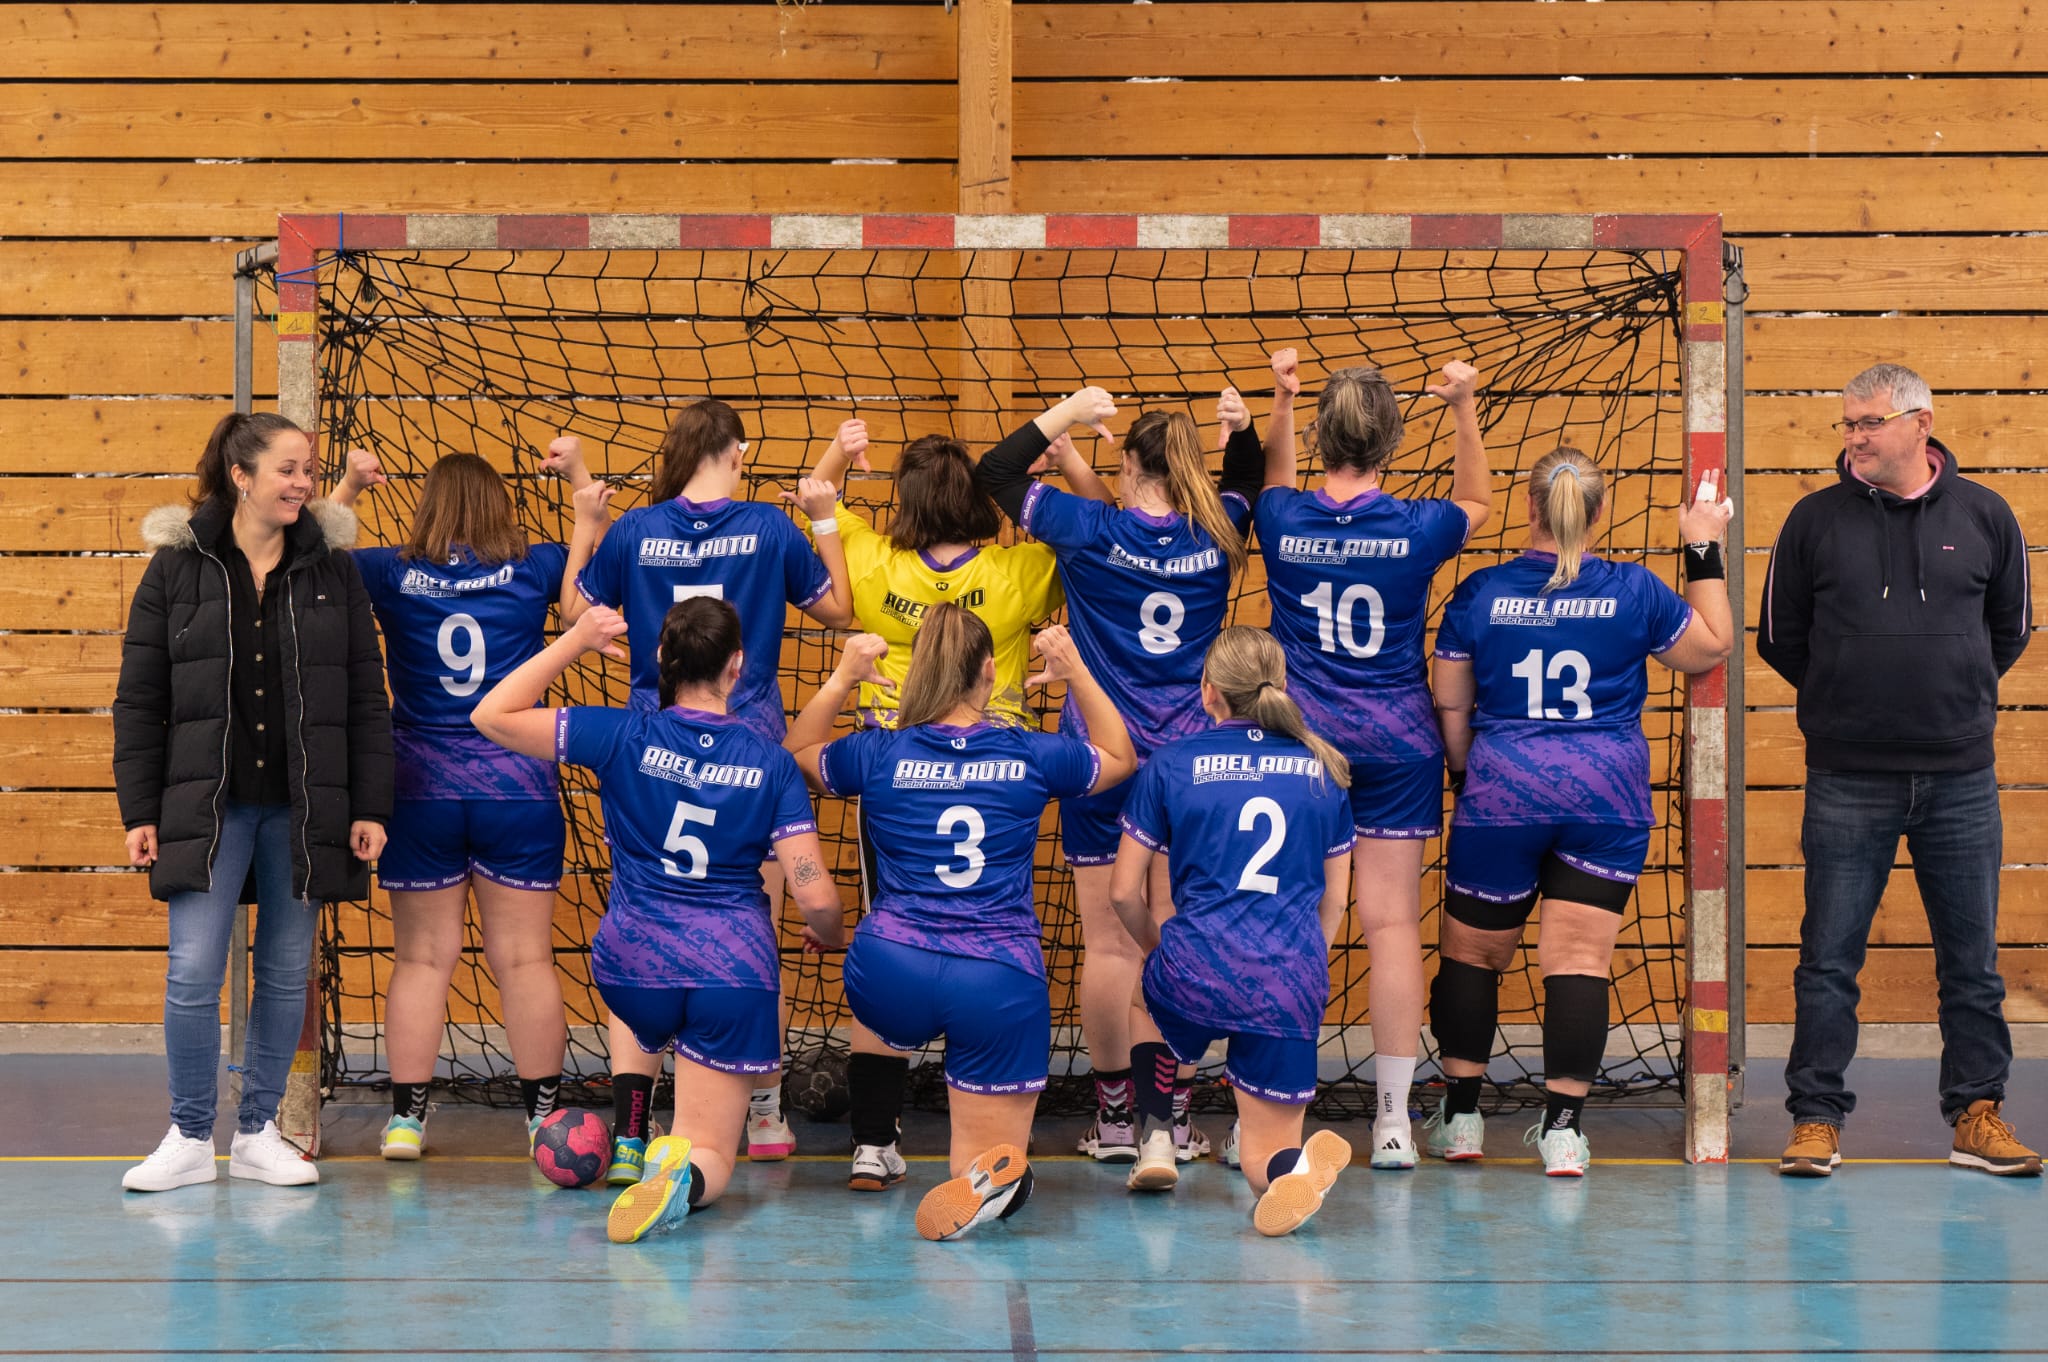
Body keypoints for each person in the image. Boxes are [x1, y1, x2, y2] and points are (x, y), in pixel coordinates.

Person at [471, 596, 848, 1242]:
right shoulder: (772, 764)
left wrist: (576, 640)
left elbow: (491, 715)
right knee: (713, 1150)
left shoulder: (622, 735)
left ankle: (631, 1135)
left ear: (660, 660)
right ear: (737, 666)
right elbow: (813, 894)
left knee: (650, 1000)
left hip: (631, 964)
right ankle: (681, 1173)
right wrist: (830, 933)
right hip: (729, 971)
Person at [554, 404, 853, 1176]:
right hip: (751, 747)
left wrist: (587, 524)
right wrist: (825, 519)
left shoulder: (635, 530)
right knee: (751, 934)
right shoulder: (769, 528)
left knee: (645, 925)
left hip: (649, 749)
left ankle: (630, 1134)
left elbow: (575, 612)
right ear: (739, 453)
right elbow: (838, 610)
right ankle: (765, 1114)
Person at [1758, 363, 2039, 1178]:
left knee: (1972, 964)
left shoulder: (1986, 514)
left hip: (1961, 779)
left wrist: (1950, 695)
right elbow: (1780, 636)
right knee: (1828, 961)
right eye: (1847, 424)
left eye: (1868, 423)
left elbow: (2009, 628)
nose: (1853, 438)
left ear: (1920, 423)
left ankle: (1977, 1116)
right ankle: (1816, 1118)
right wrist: (1849, 696)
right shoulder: (1813, 520)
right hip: (1847, 777)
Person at [800, 416, 1095, 1190]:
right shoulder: (1018, 570)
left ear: (905, 502)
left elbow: (815, 494)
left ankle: (873, 1141)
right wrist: (1070, 459)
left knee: (894, 923)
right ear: (972, 501)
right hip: (1004, 773)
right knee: (990, 926)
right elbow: (1094, 542)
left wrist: (841, 451)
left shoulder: (874, 563)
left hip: (893, 775)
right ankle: (987, 1107)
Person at [1428, 449, 1733, 1175]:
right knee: (1579, 960)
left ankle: (1462, 1122)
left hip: (1503, 792)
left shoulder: (1480, 592)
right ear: (1598, 512)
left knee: (1472, 956)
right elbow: (1712, 646)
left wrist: (1468, 774)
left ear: (1530, 507)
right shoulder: (1634, 590)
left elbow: (1451, 704)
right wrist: (1701, 543)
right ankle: (1562, 1133)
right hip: (1606, 796)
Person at [786, 605, 1134, 1240]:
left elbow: (797, 754)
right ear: (990, 671)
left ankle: (875, 1144)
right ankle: (983, 1177)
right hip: (995, 977)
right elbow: (1119, 756)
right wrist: (1076, 671)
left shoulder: (880, 750)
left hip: (888, 968)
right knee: (983, 1158)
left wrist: (843, 676)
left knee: (884, 969)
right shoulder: (1031, 752)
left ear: (917, 670)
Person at [977, 387, 1259, 1164]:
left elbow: (996, 472)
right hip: (1191, 766)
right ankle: (1167, 1121)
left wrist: (1068, 412)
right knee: (1172, 938)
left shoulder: (1088, 527)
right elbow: (1248, 480)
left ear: (1128, 463)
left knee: (1107, 944)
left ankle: (1110, 1121)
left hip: (1101, 759)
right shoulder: (1218, 530)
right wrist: (1242, 430)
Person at [112, 411, 393, 1192]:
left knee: (284, 974)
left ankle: (259, 1131)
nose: (303, 483)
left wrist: (370, 806)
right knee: (192, 972)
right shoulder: (177, 568)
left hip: (305, 810)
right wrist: (140, 812)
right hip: (209, 809)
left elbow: (366, 698)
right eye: (287, 469)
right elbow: (140, 701)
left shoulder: (333, 571)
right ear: (241, 476)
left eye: (308, 470)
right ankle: (188, 1136)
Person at [1255, 348, 1489, 1167]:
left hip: (1303, 744)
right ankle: (1392, 1123)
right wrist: (1462, 405)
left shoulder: (1282, 520)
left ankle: (1271, 1116)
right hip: (1398, 741)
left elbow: (1273, 482)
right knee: (1390, 926)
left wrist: (1282, 401)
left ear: (1321, 438)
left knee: (1299, 921)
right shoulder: (1418, 526)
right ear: (1390, 442)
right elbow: (1477, 500)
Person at [329, 449, 583, 1160]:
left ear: (428, 508)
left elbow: (318, 554)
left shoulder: (390, 571)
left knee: (421, 960)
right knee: (525, 960)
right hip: (517, 786)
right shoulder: (537, 565)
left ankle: (405, 1122)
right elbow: (585, 590)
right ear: (500, 506)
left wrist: (349, 485)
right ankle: (543, 1121)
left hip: (420, 788)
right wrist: (579, 485)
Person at [1109, 627, 1357, 1236]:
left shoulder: (1171, 763)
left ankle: (1157, 1137)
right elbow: (1336, 900)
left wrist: (1161, 951)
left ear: (1208, 691)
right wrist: (1301, 962)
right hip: (1290, 975)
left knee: (1144, 996)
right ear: (1282, 685)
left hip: (1194, 964)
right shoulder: (1325, 767)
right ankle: (1290, 1171)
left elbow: (1122, 892)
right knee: (1259, 1157)